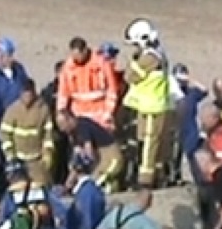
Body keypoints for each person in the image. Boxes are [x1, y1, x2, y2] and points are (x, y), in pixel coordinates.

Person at [122, 20, 172, 189]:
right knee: (148, 144)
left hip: (152, 109)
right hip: (149, 108)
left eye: (135, 44)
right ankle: (155, 176)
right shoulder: (156, 54)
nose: (134, 48)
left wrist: (133, 60)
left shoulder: (150, 58)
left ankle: (146, 181)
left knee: (149, 146)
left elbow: (130, 76)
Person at [0, 38, 30, 165]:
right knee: (2, 145)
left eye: (10, 55)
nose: (9, 59)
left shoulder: (19, 69)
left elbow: (26, 86)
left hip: (19, 112)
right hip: (1, 115)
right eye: (5, 55)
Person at [57, 37, 120, 132]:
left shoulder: (102, 63)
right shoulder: (68, 67)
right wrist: (61, 112)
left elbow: (112, 90)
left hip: (100, 114)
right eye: (74, 56)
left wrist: (108, 112)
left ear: (85, 50)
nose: (77, 59)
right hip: (78, 114)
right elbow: (63, 93)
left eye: (78, 56)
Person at [0, 79, 56, 186]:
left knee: (40, 189)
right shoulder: (13, 110)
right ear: (21, 94)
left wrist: (48, 153)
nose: (27, 98)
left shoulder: (43, 110)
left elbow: (48, 134)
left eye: (30, 94)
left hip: (37, 160)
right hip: (18, 160)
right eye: (25, 94)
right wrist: (10, 155)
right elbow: (5, 135)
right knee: (19, 190)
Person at [57, 110, 124, 192]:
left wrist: (77, 177)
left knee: (92, 184)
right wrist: (67, 185)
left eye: (62, 125)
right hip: (100, 158)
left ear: (70, 119)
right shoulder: (72, 134)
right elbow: (77, 160)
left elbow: (89, 155)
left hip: (111, 158)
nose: (61, 129)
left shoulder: (83, 127)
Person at [42, 60, 71, 186]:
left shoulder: (71, 87)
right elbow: (45, 108)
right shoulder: (49, 90)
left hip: (69, 129)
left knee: (67, 157)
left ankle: (66, 182)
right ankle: (54, 182)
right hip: (55, 130)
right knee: (55, 157)